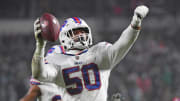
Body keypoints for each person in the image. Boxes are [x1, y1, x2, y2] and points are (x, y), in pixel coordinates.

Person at [20, 5, 149, 101]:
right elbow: (39, 74)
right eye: (75, 33)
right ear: (64, 37)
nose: (81, 36)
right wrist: (40, 46)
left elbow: (122, 45)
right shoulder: (56, 57)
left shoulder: (98, 52)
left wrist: (135, 23)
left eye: (82, 32)